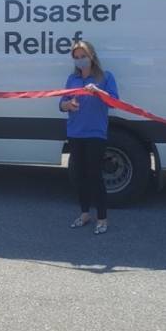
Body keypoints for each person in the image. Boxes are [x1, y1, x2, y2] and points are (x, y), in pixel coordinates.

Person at [59, 40, 119, 235]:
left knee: (94, 176)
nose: (80, 61)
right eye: (76, 58)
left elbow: (114, 103)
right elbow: (62, 103)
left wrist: (99, 92)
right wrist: (68, 106)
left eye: (83, 57)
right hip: (75, 133)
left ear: (91, 56)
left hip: (95, 133)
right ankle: (84, 214)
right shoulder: (71, 79)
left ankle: (102, 218)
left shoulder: (105, 77)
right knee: (79, 176)